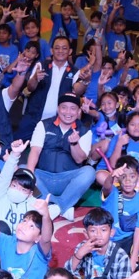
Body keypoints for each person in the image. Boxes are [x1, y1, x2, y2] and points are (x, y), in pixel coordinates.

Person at [26, 93, 95, 221]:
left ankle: (55, 206)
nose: (68, 112)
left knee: (89, 172)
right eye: (64, 107)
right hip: (43, 178)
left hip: (67, 180)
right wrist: (29, 174)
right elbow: (35, 151)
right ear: (58, 109)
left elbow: (80, 159)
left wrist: (74, 143)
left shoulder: (85, 130)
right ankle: (62, 206)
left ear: (79, 111)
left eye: (73, 108)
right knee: (22, 168)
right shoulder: (44, 125)